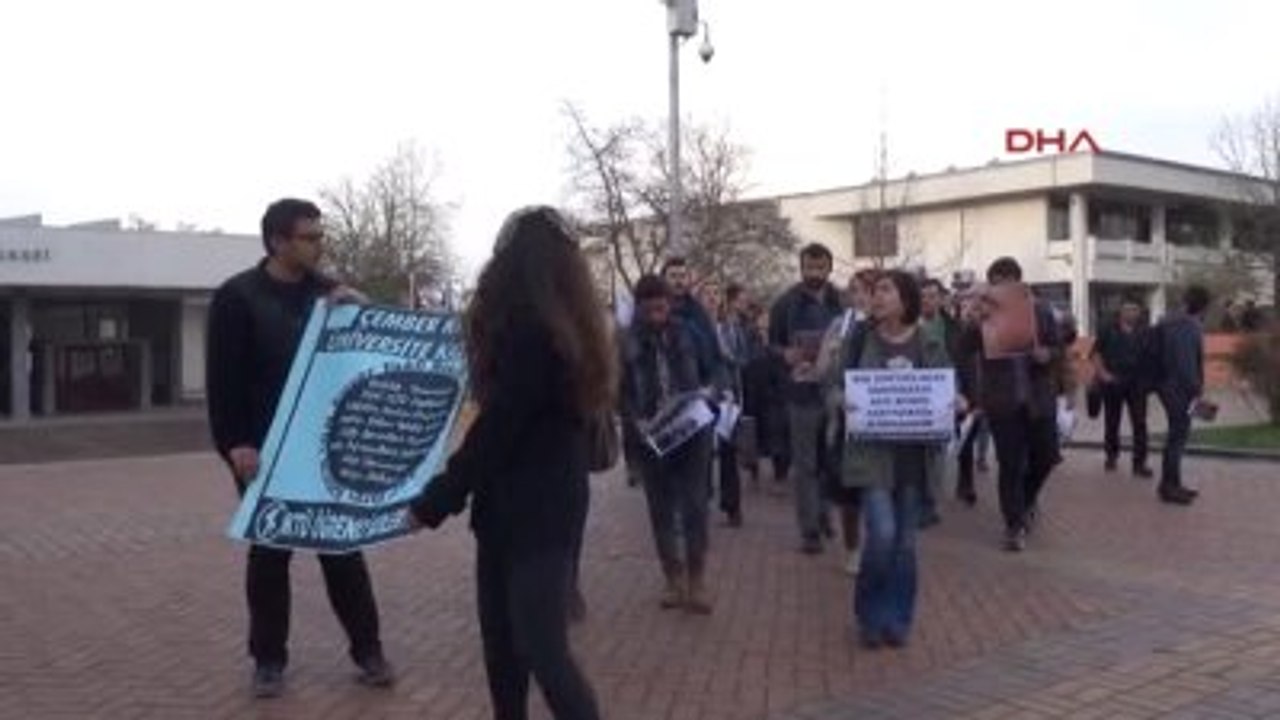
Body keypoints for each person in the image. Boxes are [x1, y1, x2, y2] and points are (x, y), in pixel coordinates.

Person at [409, 206, 610, 720]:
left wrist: (436, 501)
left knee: (535, 648)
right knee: (513, 646)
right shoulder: (573, 325)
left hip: (527, 508)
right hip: (540, 501)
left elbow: (498, 428)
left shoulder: (530, 330)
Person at [206, 198, 394, 699]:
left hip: (322, 447)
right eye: (309, 237)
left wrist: (362, 308)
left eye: (320, 235)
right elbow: (223, 380)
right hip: (263, 451)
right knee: (269, 555)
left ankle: (369, 650)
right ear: (278, 242)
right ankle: (268, 659)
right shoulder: (237, 297)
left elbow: (372, 351)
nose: (319, 245)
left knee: (342, 550)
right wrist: (235, 444)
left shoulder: (331, 293)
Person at [840, 270, 962, 649]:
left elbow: (948, 384)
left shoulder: (928, 341)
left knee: (905, 544)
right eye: (873, 291)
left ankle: (897, 619)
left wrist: (955, 401)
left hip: (915, 459)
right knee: (882, 536)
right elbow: (831, 383)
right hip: (873, 456)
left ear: (905, 298)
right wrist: (840, 401)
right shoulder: (861, 339)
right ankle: (868, 613)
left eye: (885, 290)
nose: (876, 297)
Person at [619, 274, 718, 613]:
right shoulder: (626, 342)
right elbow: (620, 392)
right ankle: (672, 579)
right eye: (649, 308)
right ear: (640, 308)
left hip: (693, 430)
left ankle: (697, 581)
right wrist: (634, 421)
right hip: (651, 436)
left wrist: (711, 391)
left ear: (669, 303)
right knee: (660, 509)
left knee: (694, 505)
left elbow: (714, 369)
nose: (657, 313)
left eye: (662, 306)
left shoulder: (689, 333)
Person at [963, 257, 1063, 552]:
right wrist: (973, 320)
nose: (1001, 287)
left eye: (1006, 281)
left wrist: (1048, 354)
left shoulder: (1041, 310)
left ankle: (1027, 498)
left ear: (1018, 282)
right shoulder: (984, 316)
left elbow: (1058, 346)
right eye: (995, 282)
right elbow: (964, 348)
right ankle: (1013, 524)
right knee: (1010, 464)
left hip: (1038, 398)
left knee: (1047, 456)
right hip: (1002, 401)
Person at [769, 244, 844, 554]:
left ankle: (824, 512)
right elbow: (771, 345)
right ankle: (809, 530)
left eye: (820, 267)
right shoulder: (784, 304)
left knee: (831, 460)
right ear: (801, 267)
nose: (815, 273)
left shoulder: (841, 302)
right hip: (800, 394)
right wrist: (785, 354)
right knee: (805, 464)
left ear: (829, 267)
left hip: (834, 393)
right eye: (809, 267)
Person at [817, 269, 877, 575]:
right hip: (845, 419)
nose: (860, 296)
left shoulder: (890, 327)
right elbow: (822, 372)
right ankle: (853, 549)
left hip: (882, 422)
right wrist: (829, 355)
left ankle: (878, 546)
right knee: (848, 492)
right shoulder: (840, 326)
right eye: (854, 290)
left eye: (866, 290)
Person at [1154, 285, 1211, 506]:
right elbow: (1187, 363)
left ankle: (1172, 484)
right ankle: (1169, 487)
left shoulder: (1168, 321)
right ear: (1203, 307)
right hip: (1180, 389)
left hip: (1166, 386)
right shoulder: (1189, 326)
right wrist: (1196, 389)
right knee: (1177, 438)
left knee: (1175, 436)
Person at [917, 278, 962, 528]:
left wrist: (963, 392)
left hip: (946, 391)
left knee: (937, 450)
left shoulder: (952, 327)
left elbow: (962, 360)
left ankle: (931, 501)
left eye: (933, 295)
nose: (928, 301)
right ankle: (922, 500)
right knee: (918, 451)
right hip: (916, 394)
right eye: (923, 296)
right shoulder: (908, 325)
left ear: (941, 298)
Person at [1091, 297, 1153, 478]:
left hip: (1137, 384)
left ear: (1140, 312)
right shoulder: (1108, 330)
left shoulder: (1146, 332)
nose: (1131, 312)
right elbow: (1096, 353)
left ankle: (1139, 463)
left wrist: (1150, 381)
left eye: (1135, 309)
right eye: (1128, 308)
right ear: (1121, 311)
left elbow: (1152, 357)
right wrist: (1103, 374)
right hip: (1113, 383)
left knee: (1140, 423)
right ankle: (1111, 456)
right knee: (1112, 422)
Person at [716, 283, 752, 526]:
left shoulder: (736, 328)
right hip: (709, 395)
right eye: (742, 299)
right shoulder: (708, 327)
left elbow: (743, 358)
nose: (745, 303)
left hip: (731, 395)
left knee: (728, 451)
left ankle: (732, 506)